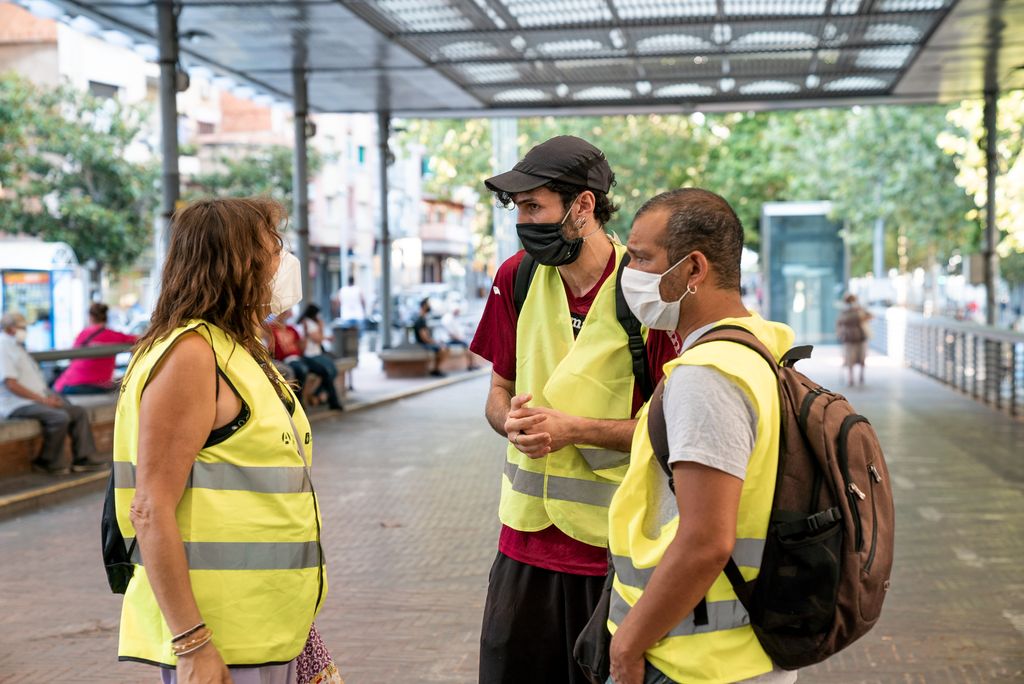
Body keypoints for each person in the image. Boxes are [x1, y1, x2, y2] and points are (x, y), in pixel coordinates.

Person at [469, 135, 678, 684]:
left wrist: (575, 429)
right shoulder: (515, 277)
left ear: (583, 207)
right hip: (523, 545)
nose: (524, 221)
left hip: (614, 556)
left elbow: (675, 432)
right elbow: (497, 392)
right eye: (519, 209)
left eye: (535, 206)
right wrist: (507, 421)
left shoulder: (646, 294)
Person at [112, 197, 333, 682]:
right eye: (274, 247)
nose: (285, 260)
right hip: (221, 638)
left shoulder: (234, 350)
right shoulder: (192, 354)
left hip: (267, 626)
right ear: (236, 263)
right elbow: (150, 508)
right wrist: (192, 643)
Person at [606, 188, 796, 684]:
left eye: (642, 258)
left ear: (693, 270)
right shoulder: (759, 351)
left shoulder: (707, 374)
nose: (630, 275)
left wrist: (627, 646)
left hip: (692, 663)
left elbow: (706, 540)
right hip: (738, 652)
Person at [0, 311, 106, 475]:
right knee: (59, 417)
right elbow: (11, 384)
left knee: (77, 411)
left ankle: (84, 458)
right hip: (16, 404)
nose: (24, 330)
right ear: (9, 328)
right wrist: (43, 400)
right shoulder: (3, 346)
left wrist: (48, 396)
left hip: (37, 399)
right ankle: (48, 461)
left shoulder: (15, 346)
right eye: (21, 327)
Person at [55, 302, 138, 395]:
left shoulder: (83, 334)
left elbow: (72, 358)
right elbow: (140, 339)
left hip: (71, 383)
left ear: (91, 317)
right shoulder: (114, 335)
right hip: (100, 385)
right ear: (106, 317)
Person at [270, 309, 341, 410]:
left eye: (286, 313)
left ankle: (333, 401)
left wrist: (306, 336)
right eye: (283, 313)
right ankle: (298, 403)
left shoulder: (291, 329)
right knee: (302, 370)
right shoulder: (271, 329)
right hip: (287, 360)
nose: (285, 315)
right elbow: (271, 349)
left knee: (325, 370)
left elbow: (301, 348)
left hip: (300, 358)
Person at [297, 303, 344, 410]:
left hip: (316, 354)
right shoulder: (307, 322)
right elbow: (317, 339)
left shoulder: (310, 322)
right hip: (310, 355)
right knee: (328, 372)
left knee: (333, 370)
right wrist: (321, 328)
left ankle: (318, 394)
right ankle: (332, 401)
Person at [836, 293, 872, 387]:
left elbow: (869, 316)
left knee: (862, 358)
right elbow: (840, 322)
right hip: (849, 338)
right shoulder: (844, 311)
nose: (851, 303)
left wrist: (860, 313)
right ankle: (851, 378)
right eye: (849, 301)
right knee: (849, 359)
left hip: (860, 337)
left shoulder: (860, 309)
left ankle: (861, 375)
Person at [414, 297, 448, 378]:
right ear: (424, 306)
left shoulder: (423, 319)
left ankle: (436, 369)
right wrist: (435, 342)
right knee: (443, 349)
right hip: (422, 344)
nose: (430, 306)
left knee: (444, 347)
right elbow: (424, 338)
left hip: (425, 342)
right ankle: (436, 369)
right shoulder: (420, 320)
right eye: (428, 304)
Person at [441, 303, 479, 371]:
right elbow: (450, 333)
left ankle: (472, 364)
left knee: (469, 344)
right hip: (450, 339)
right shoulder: (448, 318)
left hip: (456, 338)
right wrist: (460, 338)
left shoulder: (453, 317)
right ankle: (471, 364)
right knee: (468, 345)